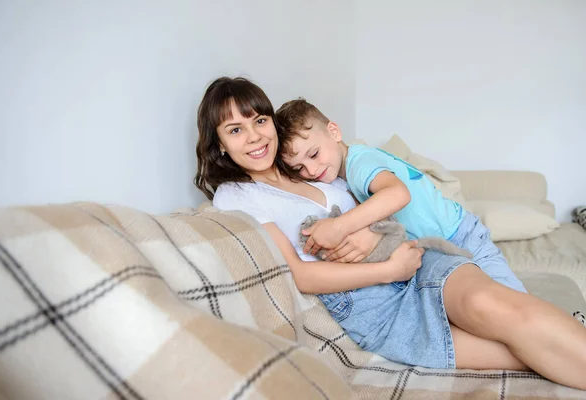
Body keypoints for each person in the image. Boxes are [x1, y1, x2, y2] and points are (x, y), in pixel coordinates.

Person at [194, 76, 586, 390]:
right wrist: (387, 271)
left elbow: (387, 210)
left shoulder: (318, 170)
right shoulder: (238, 195)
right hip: (373, 305)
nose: (255, 136)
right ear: (221, 146)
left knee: (497, 306)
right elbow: (302, 273)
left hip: (417, 261)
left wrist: (371, 235)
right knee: (515, 351)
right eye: (235, 130)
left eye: (259, 121)